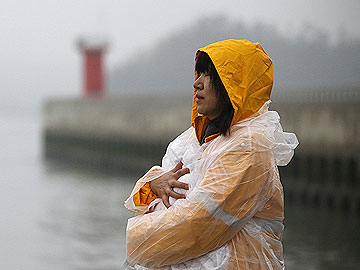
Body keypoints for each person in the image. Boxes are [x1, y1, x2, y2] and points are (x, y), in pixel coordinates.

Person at [124, 39, 298, 269]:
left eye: (209, 75)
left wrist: (136, 237)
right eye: (199, 74)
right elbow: (149, 196)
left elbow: (196, 224)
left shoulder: (248, 147)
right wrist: (151, 185)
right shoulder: (195, 139)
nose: (197, 83)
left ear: (234, 84)